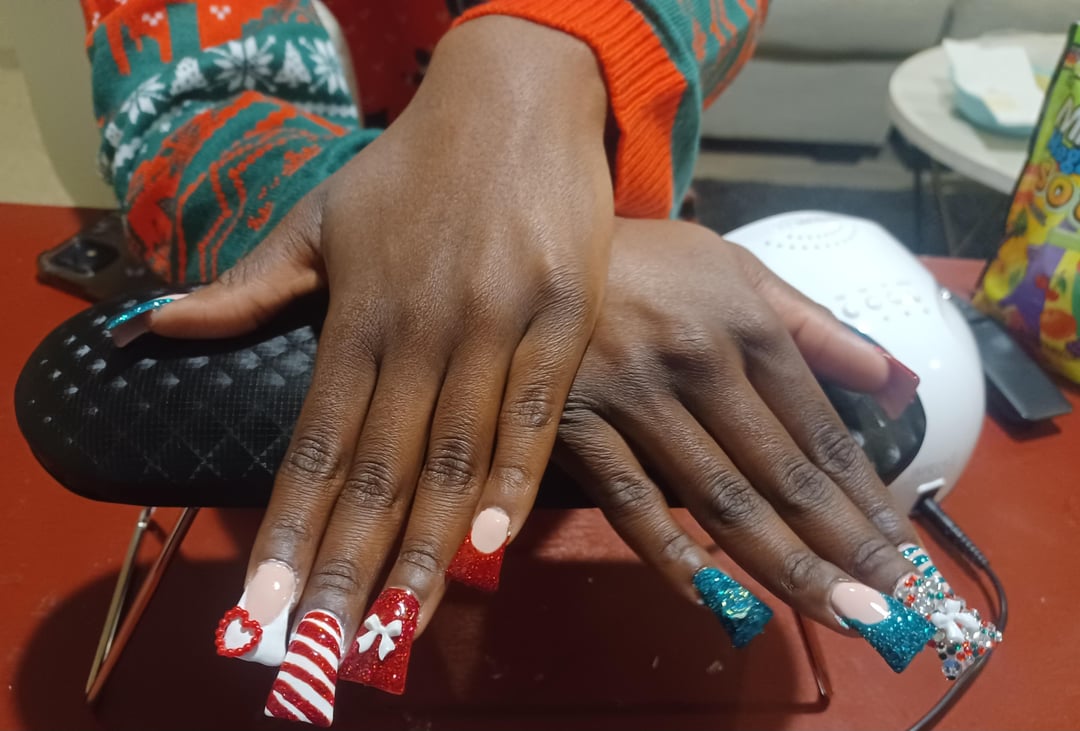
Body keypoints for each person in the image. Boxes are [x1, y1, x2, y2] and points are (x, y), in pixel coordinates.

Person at [80, 0, 991, 724]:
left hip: (617, 316)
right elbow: (187, 110)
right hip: (519, 323)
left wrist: (546, 46)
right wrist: (472, 230)